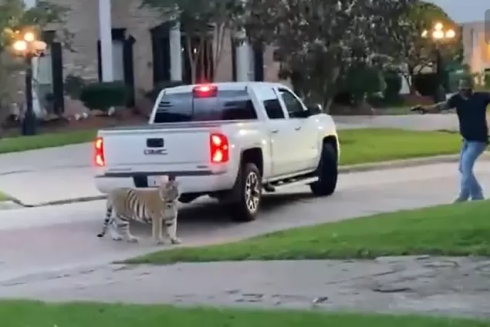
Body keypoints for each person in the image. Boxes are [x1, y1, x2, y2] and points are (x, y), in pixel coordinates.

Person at [411, 78, 490, 202]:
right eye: (460, 89)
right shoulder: (456, 99)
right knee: (463, 168)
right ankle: (475, 195)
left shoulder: (481, 97)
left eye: (465, 89)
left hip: (479, 140)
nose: (462, 92)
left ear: (471, 89)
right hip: (466, 140)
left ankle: (469, 195)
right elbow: (442, 106)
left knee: (466, 165)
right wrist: (425, 109)